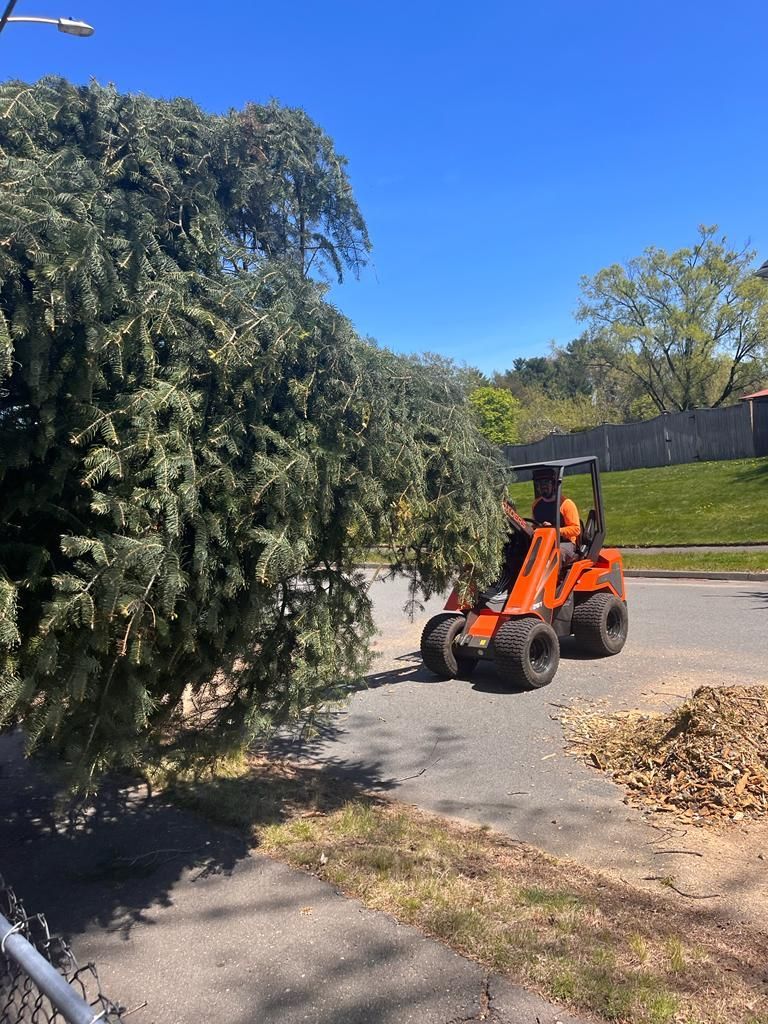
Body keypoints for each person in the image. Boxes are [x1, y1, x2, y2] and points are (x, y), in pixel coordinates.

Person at [531, 467, 581, 562]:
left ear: (553, 484)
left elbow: (576, 529)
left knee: (555, 555)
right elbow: (534, 525)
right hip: (543, 542)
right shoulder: (536, 505)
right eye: (540, 483)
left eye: (546, 482)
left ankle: (554, 576)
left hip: (564, 543)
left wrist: (554, 530)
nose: (543, 486)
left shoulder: (566, 504)